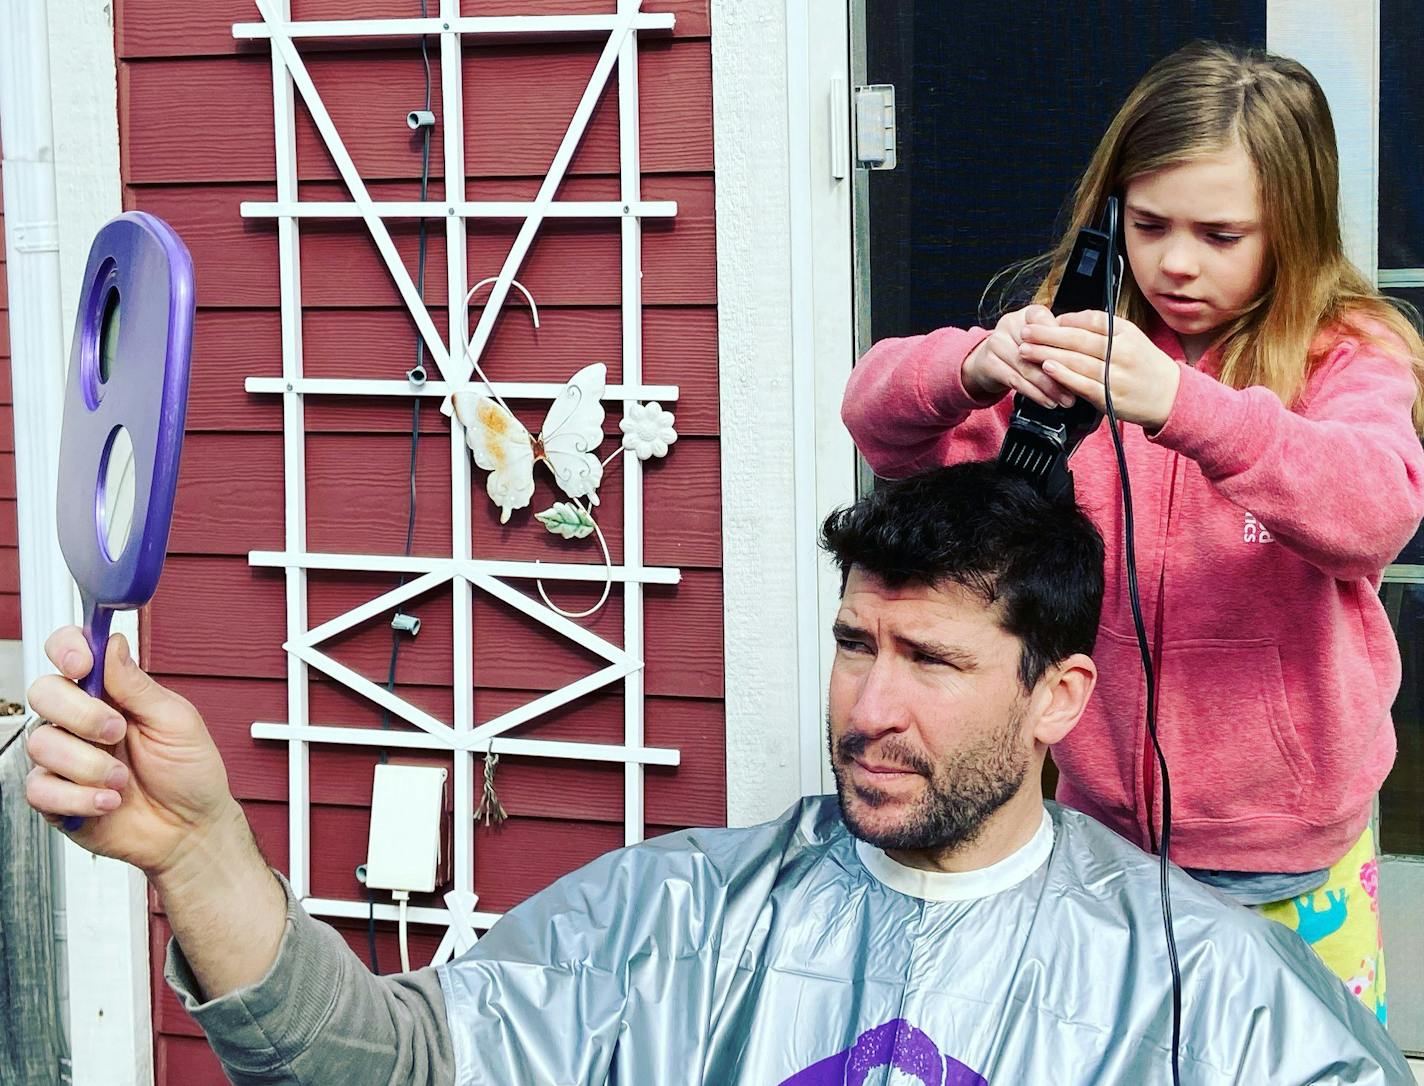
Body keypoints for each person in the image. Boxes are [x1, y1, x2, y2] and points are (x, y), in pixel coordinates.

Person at [24, 462, 1410, 1084]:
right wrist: (197, 853)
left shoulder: (1201, 990)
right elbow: (394, 1066)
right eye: (852, 641)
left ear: (1058, 695)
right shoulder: (677, 919)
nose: (868, 705)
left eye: (929, 659)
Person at [841, 41, 1424, 1021]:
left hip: (1284, 854)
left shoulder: (1343, 356)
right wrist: (973, 367)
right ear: (1109, 214)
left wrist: (1188, 408)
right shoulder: (1069, 342)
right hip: (1096, 836)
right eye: (1148, 225)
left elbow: (1371, 509)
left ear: (1289, 227)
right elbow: (878, 422)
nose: (1177, 260)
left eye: (1220, 233)